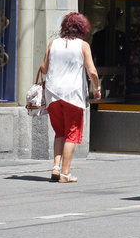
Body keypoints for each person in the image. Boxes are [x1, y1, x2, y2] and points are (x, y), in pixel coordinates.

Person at [39, 12, 101, 183]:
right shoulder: (83, 46)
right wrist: (97, 89)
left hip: (52, 94)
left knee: (59, 132)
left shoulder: (53, 44)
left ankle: (56, 167)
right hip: (73, 95)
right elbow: (92, 72)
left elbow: (43, 69)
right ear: (83, 28)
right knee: (72, 134)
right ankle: (65, 173)